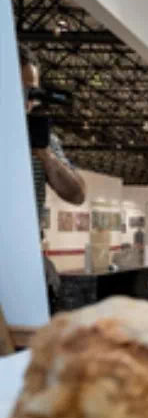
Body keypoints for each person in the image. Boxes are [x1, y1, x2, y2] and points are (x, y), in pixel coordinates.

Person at [20, 46, 86, 314]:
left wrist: (45, 154)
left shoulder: (43, 141)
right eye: (22, 91)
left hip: (25, 257)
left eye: (32, 92)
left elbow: (77, 194)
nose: (29, 101)